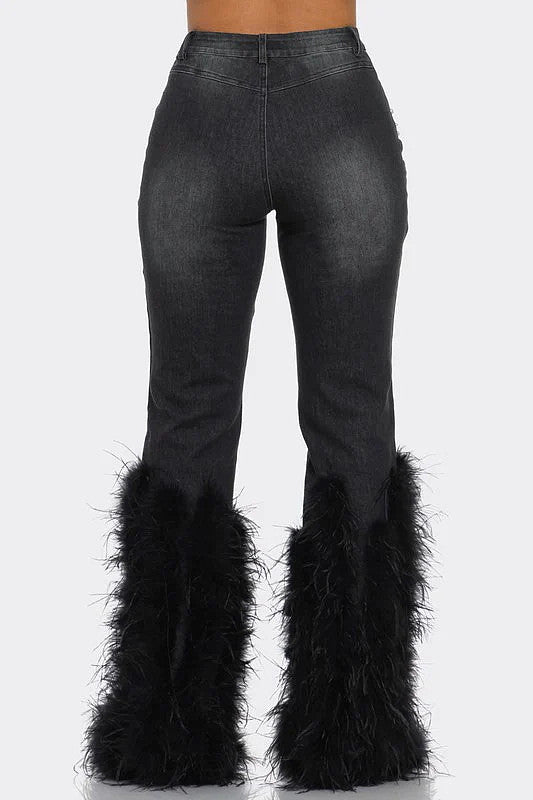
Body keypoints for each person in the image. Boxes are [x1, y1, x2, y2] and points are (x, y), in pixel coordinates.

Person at [84, 0, 432, 791]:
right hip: (328, 100)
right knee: (348, 409)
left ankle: (169, 728)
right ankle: (355, 730)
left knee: (192, 409)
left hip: (211, 104)